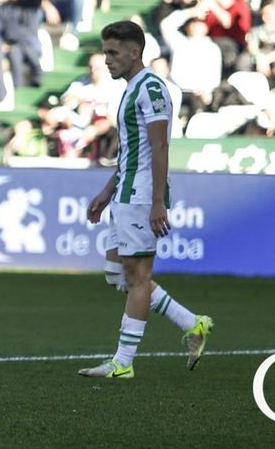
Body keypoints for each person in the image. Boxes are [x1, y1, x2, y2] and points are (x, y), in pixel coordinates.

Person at [79, 21, 213, 378]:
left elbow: (159, 146)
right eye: (105, 51)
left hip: (141, 194)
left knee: (138, 278)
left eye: (113, 52)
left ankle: (122, 364)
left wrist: (158, 202)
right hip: (125, 192)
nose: (106, 60)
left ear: (134, 51)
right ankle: (192, 322)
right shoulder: (132, 88)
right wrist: (107, 192)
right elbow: (132, 151)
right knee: (116, 273)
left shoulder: (151, 88)